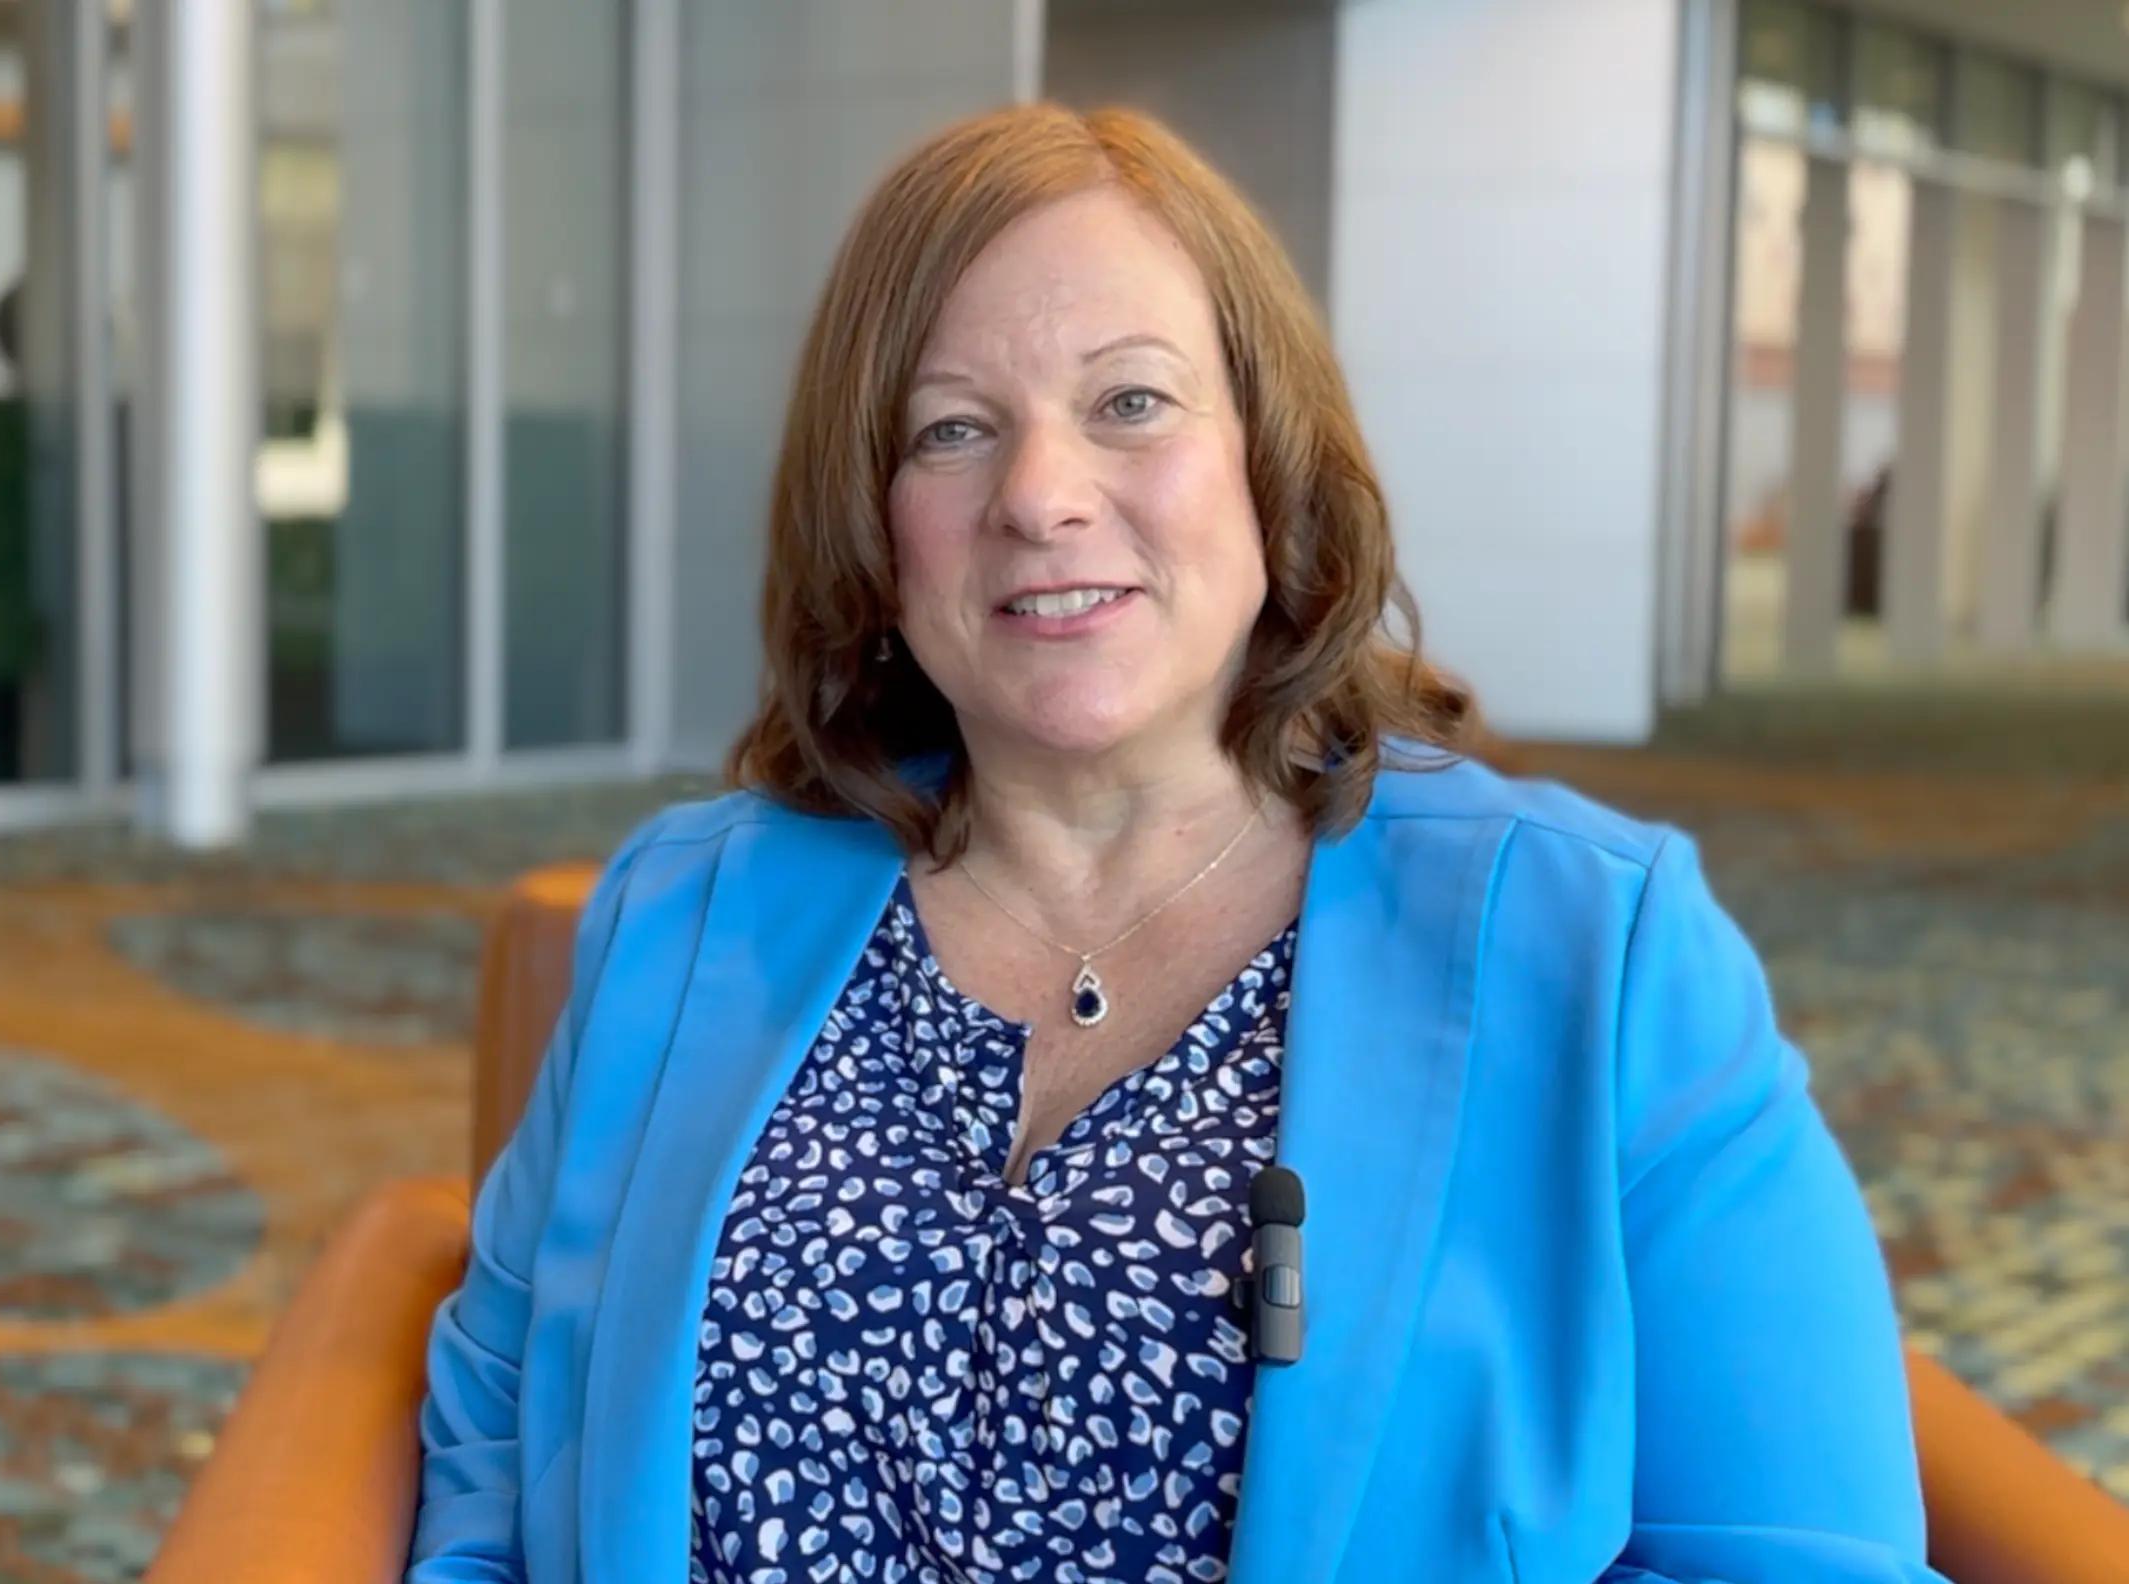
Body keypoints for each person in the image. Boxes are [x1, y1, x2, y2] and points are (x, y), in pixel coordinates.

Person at [407, 105, 1939, 1583]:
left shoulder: (1603, 957)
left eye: (1129, 402)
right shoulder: (680, 914)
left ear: (1270, 455)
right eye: (952, 429)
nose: (1039, 497)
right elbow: (491, 1450)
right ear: (872, 526)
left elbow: (1798, 1557)